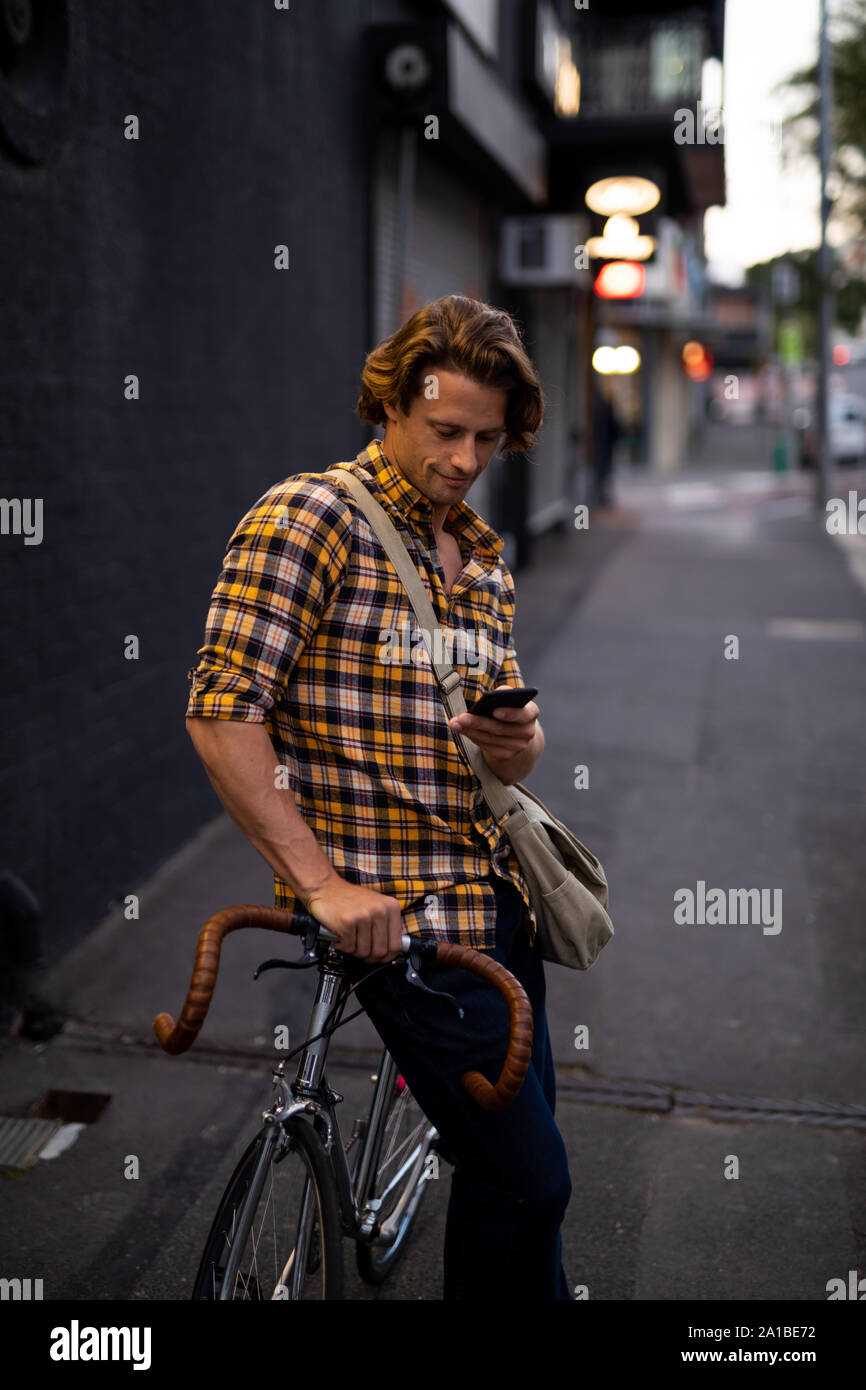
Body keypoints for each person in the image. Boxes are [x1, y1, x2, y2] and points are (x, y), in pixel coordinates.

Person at [184, 293, 573, 1300]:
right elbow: (222, 710)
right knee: (532, 1185)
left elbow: (504, 760)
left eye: (486, 438)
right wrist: (318, 884)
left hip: (500, 912)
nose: (462, 457)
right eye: (444, 429)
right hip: (400, 924)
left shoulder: (480, 558)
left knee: (507, 1177)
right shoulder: (309, 518)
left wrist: (518, 740)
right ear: (389, 403)